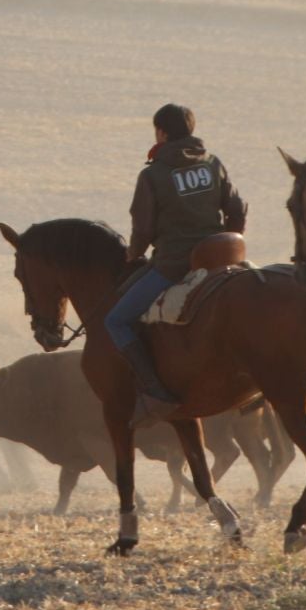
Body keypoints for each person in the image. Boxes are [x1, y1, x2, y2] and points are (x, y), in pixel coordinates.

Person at [108, 104, 247, 428]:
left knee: (117, 320)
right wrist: (227, 243)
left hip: (174, 264)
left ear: (162, 133)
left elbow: (143, 230)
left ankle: (155, 393)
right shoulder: (213, 164)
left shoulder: (153, 174)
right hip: (222, 257)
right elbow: (237, 210)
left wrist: (133, 253)